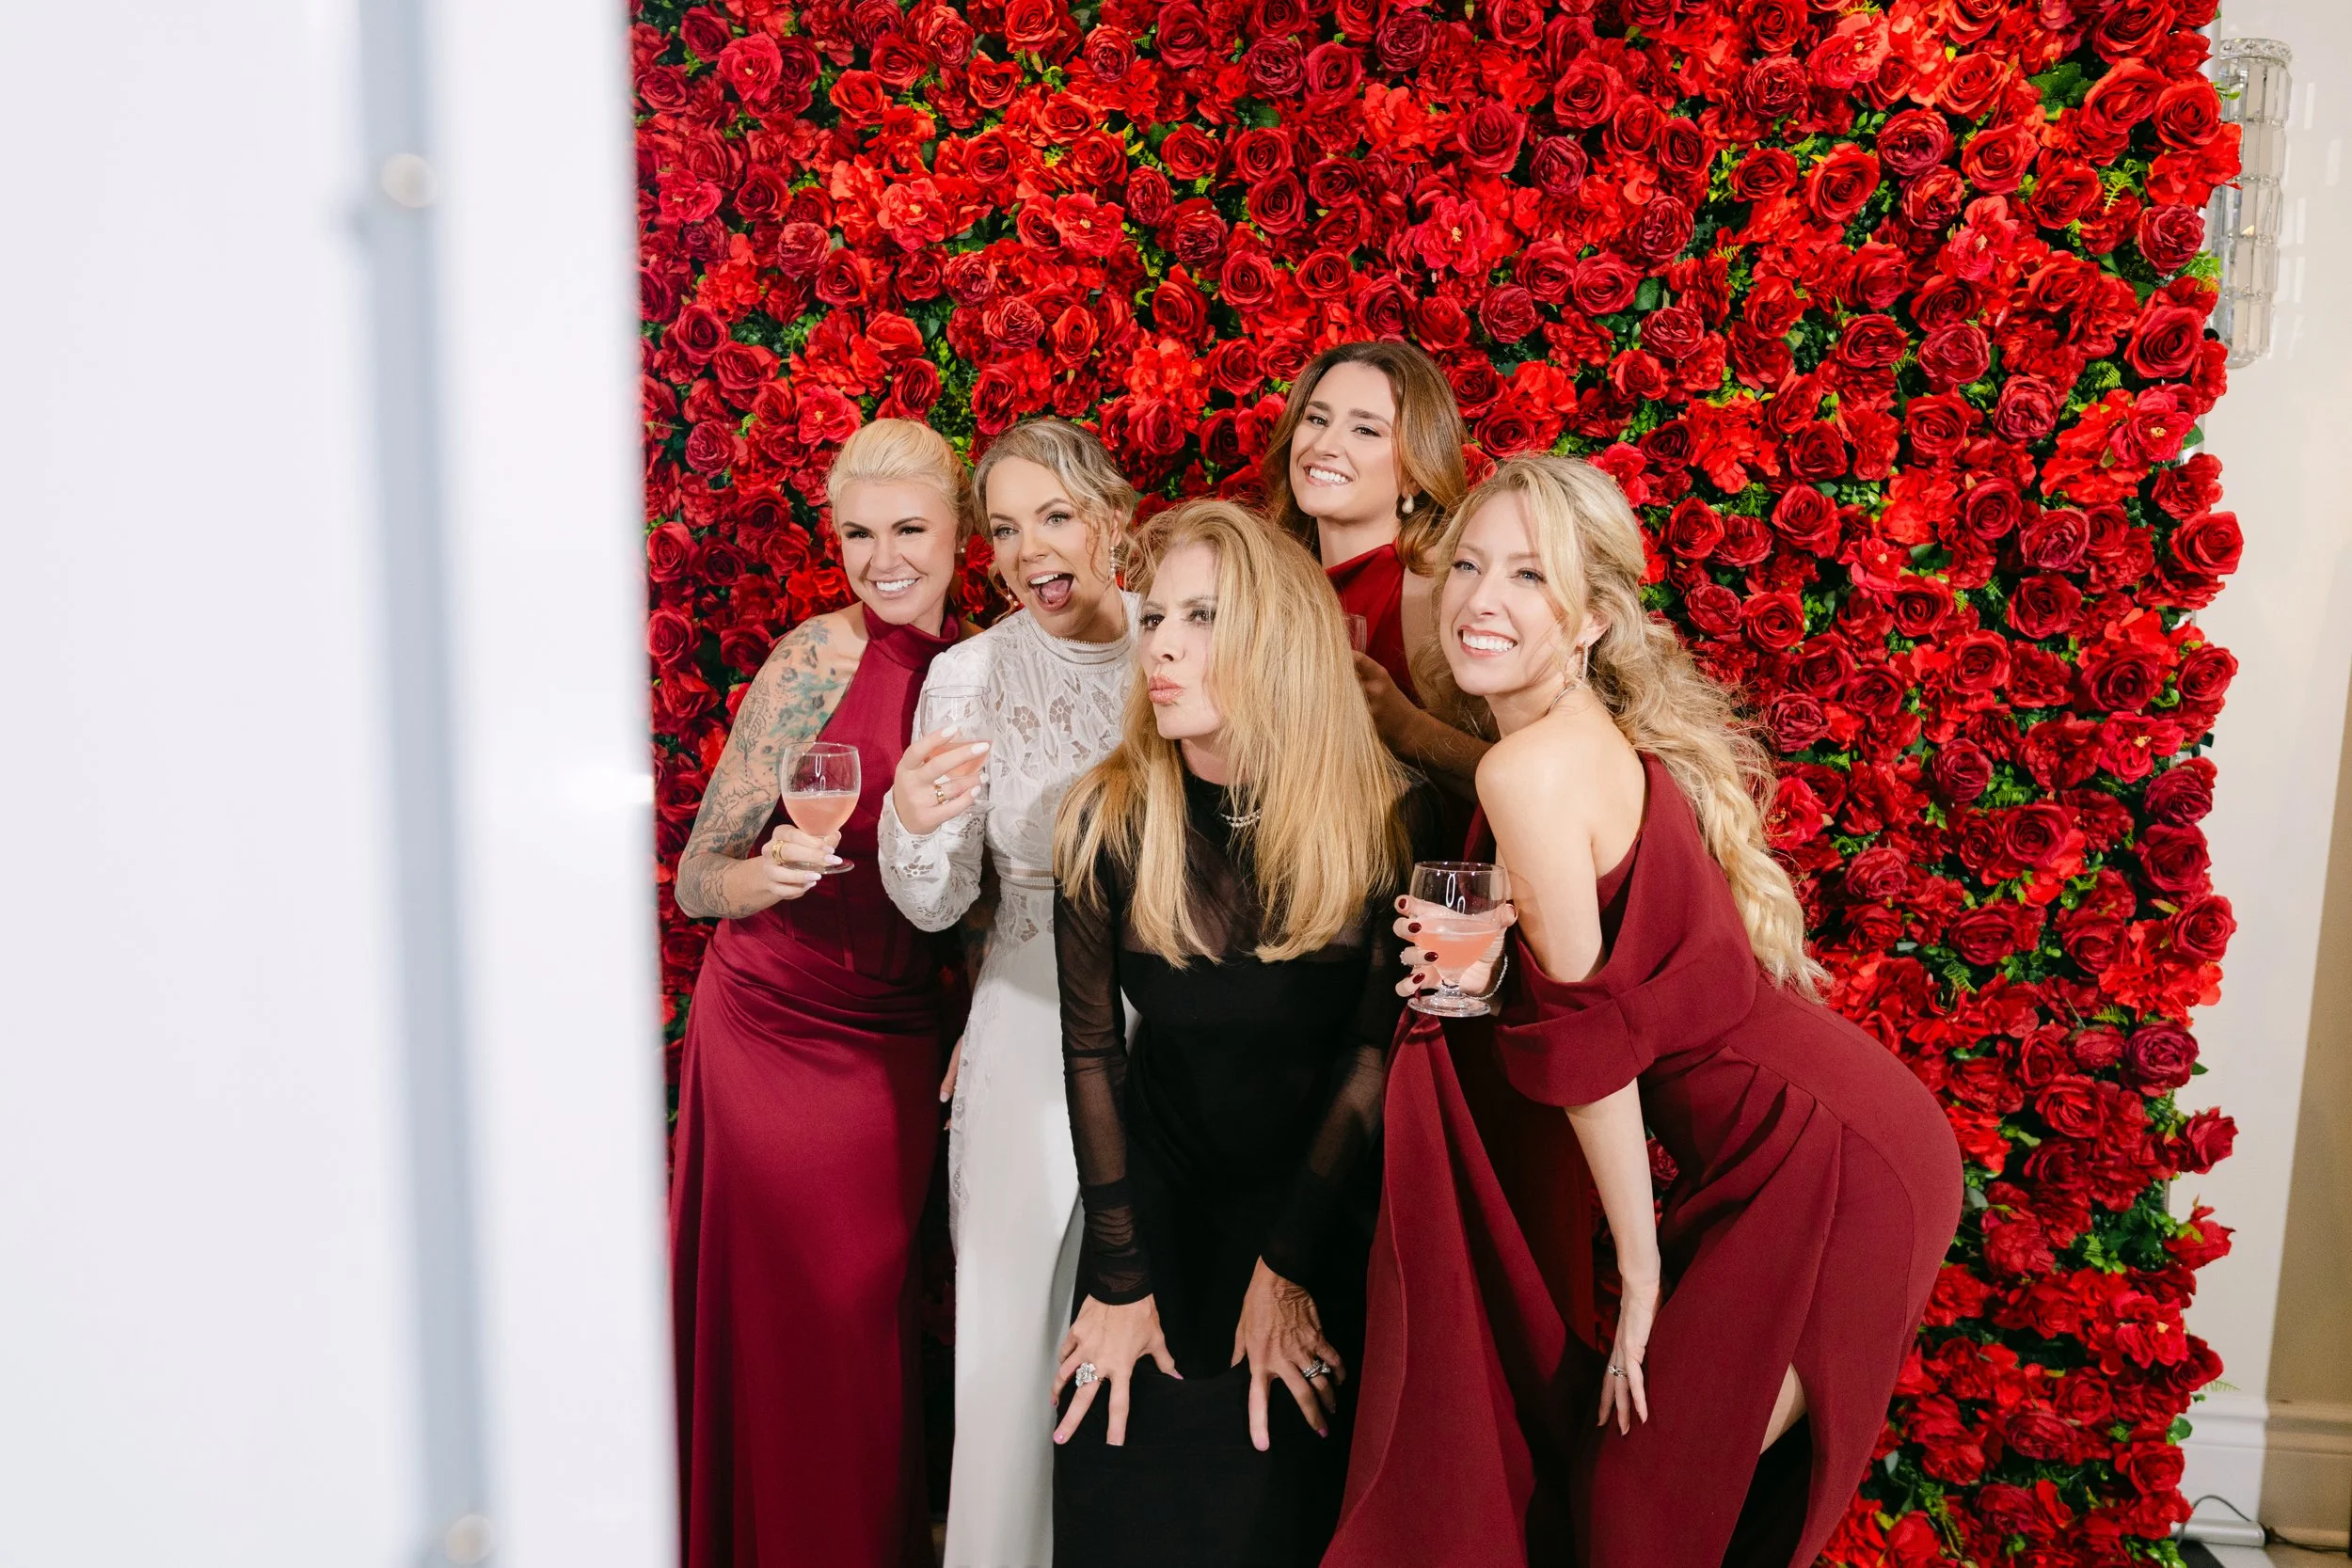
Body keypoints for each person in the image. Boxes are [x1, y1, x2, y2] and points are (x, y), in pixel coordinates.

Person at [1327, 456, 1964, 1568]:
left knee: (1641, 1504)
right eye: (1471, 563)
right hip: (1813, 1137)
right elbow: (1531, 843)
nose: (1483, 598)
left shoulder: (1530, 772)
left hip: (1827, 1163)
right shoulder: (1557, 747)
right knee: (1647, 1503)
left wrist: (1641, 1273)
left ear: (1590, 621)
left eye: (1530, 575)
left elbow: (1590, 1055)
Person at [1047, 499, 1440, 1567]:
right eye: (1157, 615)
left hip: (1318, 1200)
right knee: (1120, 1483)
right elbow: (1093, 1053)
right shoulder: (1105, 815)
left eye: (1202, 616)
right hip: (1154, 1196)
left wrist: (1290, 1268)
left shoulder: (1381, 820)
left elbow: (1371, 1055)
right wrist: (1121, 1279)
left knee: (1281, 1505)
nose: (1161, 642)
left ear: (1276, 639)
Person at [668, 419, 970, 1568]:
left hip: (899, 1034)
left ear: (956, 533)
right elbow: (702, 875)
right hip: (773, 1025)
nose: (884, 557)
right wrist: (765, 872)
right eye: (857, 533)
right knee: (802, 1324)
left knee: (867, 1326)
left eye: (908, 529)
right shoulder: (812, 660)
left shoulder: (986, 669)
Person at [876, 417, 1139, 1568]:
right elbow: (936, 905)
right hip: (1031, 1019)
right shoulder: (969, 674)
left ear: (1111, 518)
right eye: (1003, 526)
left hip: (1182, 1026)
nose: (1030, 547)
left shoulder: (1186, 640)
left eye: (1055, 514)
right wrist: (910, 825)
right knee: (1011, 1342)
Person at [1257, 341, 1485, 796]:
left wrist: (1406, 728)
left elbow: (1535, 773)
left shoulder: (1439, 588)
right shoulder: (1271, 583)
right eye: (1316, 419)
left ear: (1416, 471)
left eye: (1365, 431)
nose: (1323, 445)